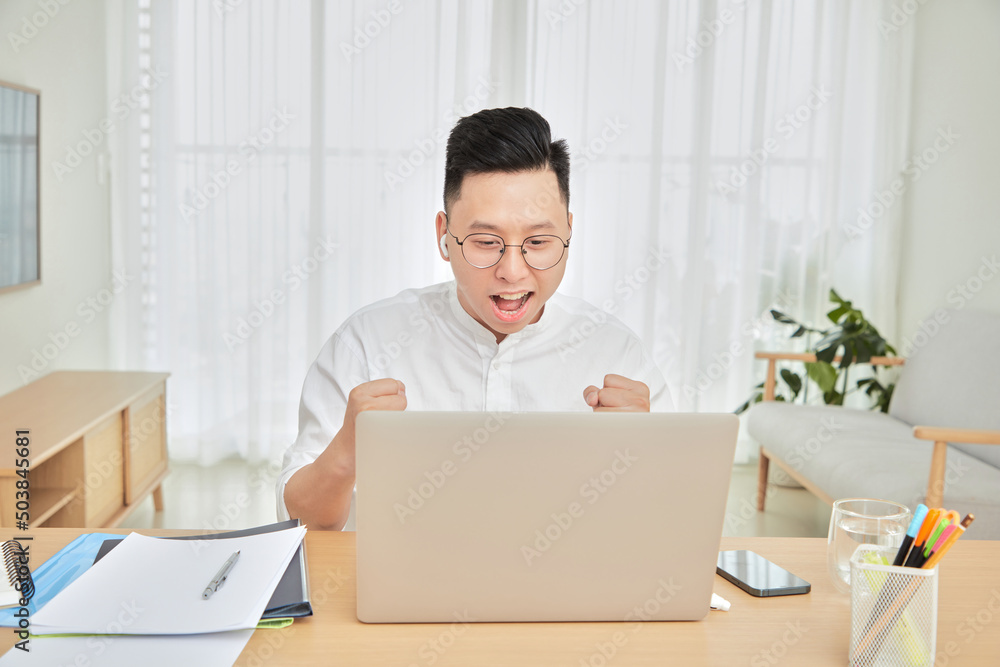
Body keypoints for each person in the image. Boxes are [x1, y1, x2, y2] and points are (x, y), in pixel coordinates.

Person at [278, 107, 672, 530]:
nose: (513, 271)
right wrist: (347, 452)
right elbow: (299, 526)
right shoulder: (367, 344)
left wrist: (641, 456)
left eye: (538, 241)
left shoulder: (616, 353)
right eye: (487, 241)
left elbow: (670, 525)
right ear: (444, 236)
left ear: (569, 232)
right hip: (402, 592)